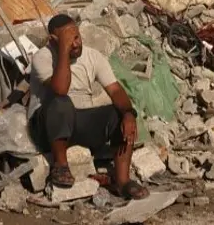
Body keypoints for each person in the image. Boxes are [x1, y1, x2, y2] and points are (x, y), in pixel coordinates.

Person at [28, 14, 149, 200]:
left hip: (79, 123)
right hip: (49, 128)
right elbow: (60, 89)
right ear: (54, 40)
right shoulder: (42, 58)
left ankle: (122, 181)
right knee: (61, 101)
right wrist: (63, 52)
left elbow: (115, 90)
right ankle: (60, 166)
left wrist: (128, 114)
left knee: (118, 114)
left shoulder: (93, 56)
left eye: (76, 37)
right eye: (68, 40)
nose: (75, 44)